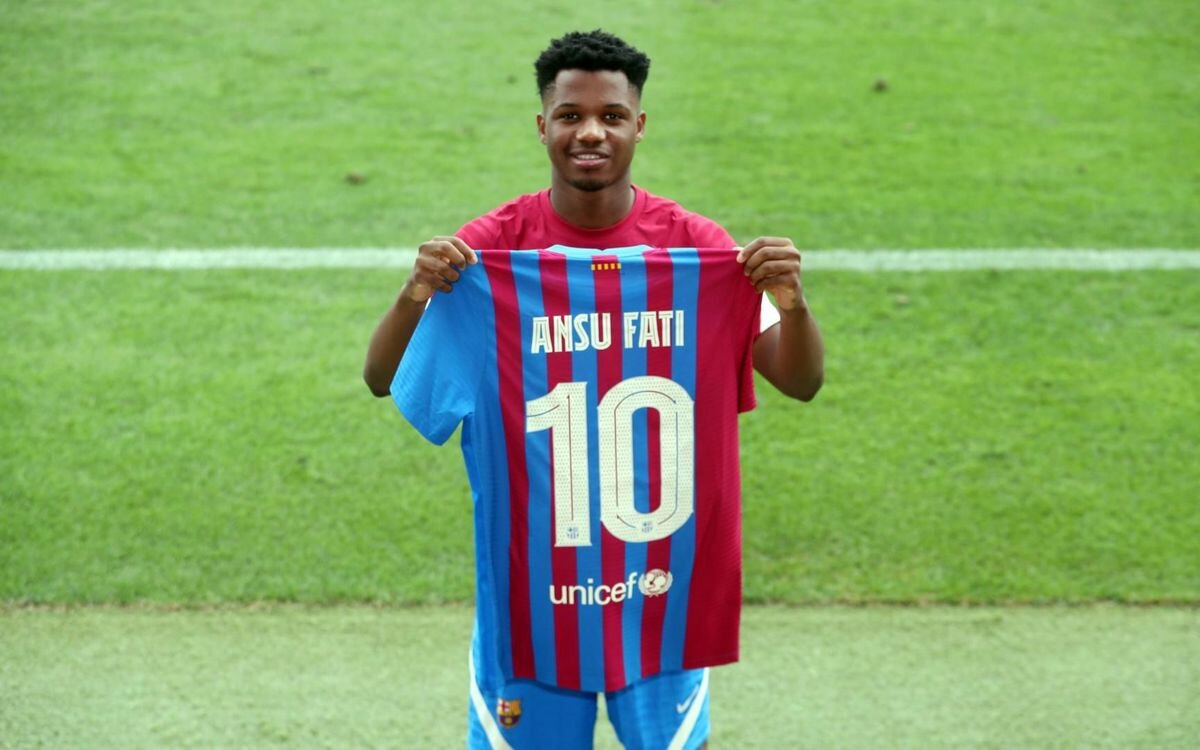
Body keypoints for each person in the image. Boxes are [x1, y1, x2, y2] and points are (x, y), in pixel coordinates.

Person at [365, 29, 823, 750]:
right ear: (541, 124)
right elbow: (381, 380)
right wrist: (415, 292)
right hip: (534, 599)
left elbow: (800, 381)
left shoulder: (696, 249)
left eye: (610, 116)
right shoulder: (492, 250)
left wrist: (793, 305)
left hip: (662, 595)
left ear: (638, 125)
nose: (590, 132)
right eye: (571, 114)